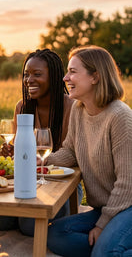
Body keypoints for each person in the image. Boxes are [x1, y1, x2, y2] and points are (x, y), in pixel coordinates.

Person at [46, 45, 132, 257]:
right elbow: (70, 151)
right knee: (55, 234)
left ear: (95, 77)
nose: (65, 78)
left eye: (73, 72)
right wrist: (44, 162)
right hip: (105, 207)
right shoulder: (79, 109)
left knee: (104, 252)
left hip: (128, 206)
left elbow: (128, 183)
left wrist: (103, 225)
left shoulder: (120, 117)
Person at [0, 48, 83, 236]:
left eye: (37, 74)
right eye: (26, 75)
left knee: (29, 227)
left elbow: (76, 155)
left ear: (55, 77)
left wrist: (46, 161)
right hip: (27, 180)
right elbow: (20, 153)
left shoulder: (73, 108)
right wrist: (10, 152)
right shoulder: (23, 106)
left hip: (63, 183)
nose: (29, 80)